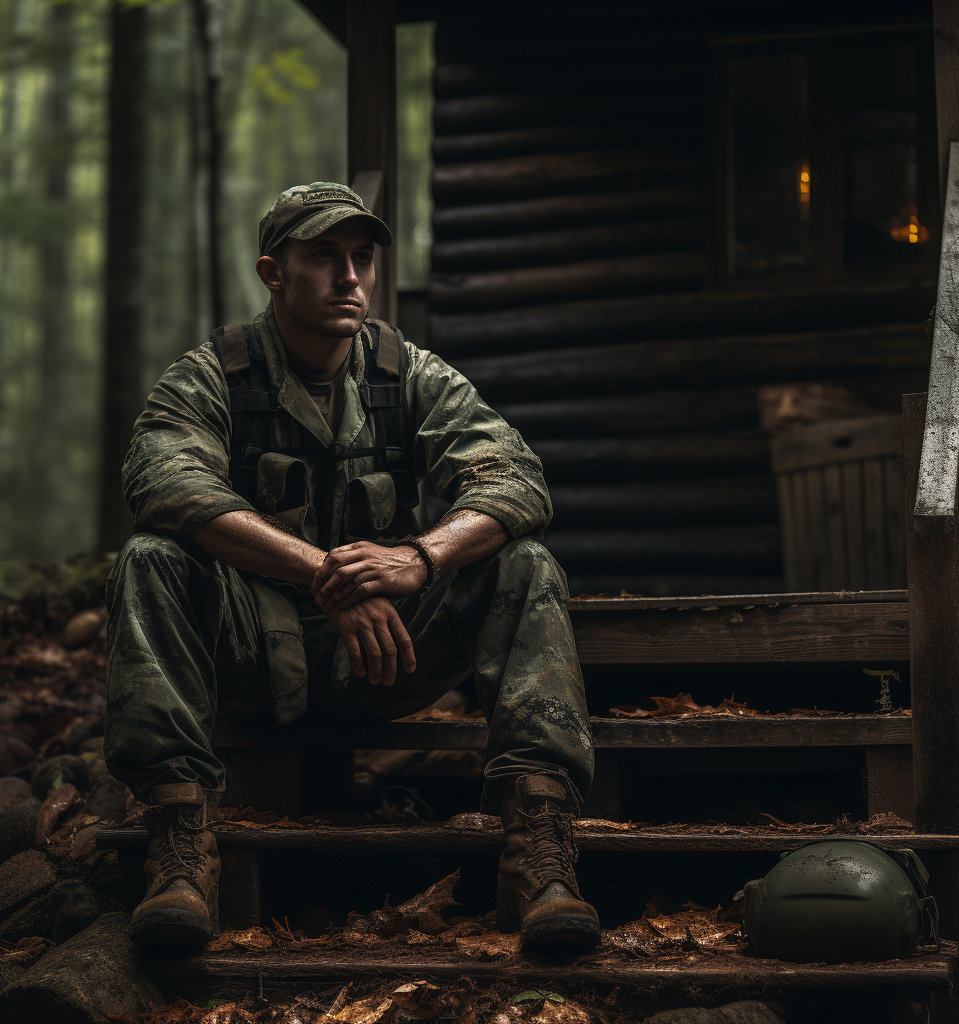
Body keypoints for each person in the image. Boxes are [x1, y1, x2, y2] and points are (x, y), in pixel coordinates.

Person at [103, 182, 598, 953]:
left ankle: (538, 854)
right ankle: (180, 853)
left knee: (525, 563)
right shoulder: (211, 377)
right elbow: (164, 484)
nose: (351, 277)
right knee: (150, 559)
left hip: (383, 657)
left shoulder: (412, 375)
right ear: (274, 273)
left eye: (362, 257)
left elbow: (516, 480)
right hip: (252, 654)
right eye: (324, 258)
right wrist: (325, 575)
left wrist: (418, 557)